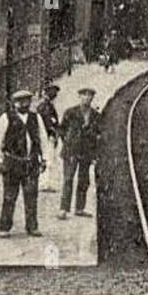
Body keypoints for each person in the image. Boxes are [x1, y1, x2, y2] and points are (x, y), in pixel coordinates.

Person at [0, 90, 46, 238]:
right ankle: (4, 227)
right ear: (14, 103)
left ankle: (32, 226)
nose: (23, 104)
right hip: (12, 162)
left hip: (31, 162)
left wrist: (45, 159)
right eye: (20, 101)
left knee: (31, 196)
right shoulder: (6, 118)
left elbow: (43, 138)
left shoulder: (36, 118)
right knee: (9, 196)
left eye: (26, 101)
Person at [58, 87, 101, 219]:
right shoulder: (70, 112)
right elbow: (62, 129)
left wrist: (94, 153)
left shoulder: (96, 115)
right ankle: (64, 209)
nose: (87, 98)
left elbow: (98, 134)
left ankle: (79, 208)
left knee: (84, 180)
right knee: (68, 179)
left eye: (90, 96)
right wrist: (69, 142)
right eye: (84, 95)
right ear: (79, 97)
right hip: (71, 151)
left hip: (86, 151)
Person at [37, 84, 62, 191]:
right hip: (47, 137)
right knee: (47, 159)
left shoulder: (47, 106)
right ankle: (44, 183)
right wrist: (53, 132)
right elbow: (47, 123)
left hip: (49, 136)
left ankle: (46, 182)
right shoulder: (45, 107)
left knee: (49, 159)